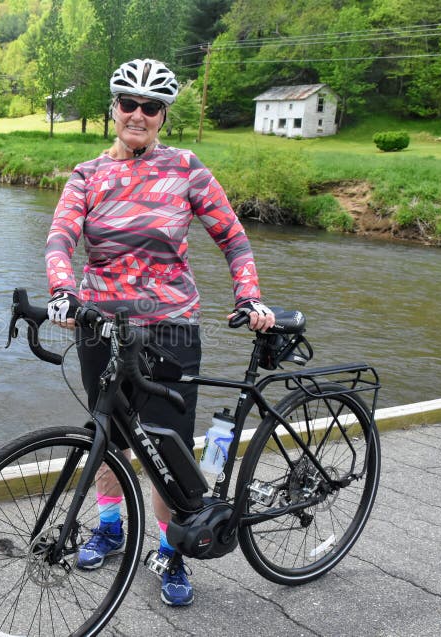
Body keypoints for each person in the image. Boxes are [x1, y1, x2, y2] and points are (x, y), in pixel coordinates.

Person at [45, 58, 275, 607]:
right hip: (101, 326)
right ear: (114, 109)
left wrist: (249, 296)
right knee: (109, 438)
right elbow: (60, 238)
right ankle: (110, 528)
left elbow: (233, 237)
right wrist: (61, 291)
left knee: (168, 450)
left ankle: (171, 551)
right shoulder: (87, 174)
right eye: (129, 103)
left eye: (151, 107)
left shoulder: (188, 169)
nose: (138, 115)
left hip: (171, 328)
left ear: (163, 115)